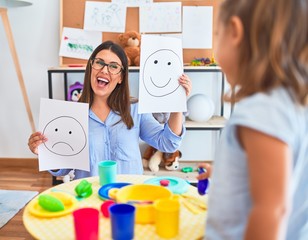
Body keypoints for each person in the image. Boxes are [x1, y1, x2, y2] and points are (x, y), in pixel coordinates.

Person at [199, 0, 308, 240]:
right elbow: (277, 177)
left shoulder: (263, 111)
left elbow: (272, 210)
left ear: (235, 32)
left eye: (218, 34)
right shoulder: (288, 104)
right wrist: (225, 173)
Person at [28, 40, 192, 179]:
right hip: (90, 200)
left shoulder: (135, 110)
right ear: (91, 67)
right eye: (99, 63)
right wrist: (43, 151)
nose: (104, 70)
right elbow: (63, 169)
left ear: (121, 77)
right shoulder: (72, 115)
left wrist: (177, 104)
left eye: (113, 66)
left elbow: (168, 143)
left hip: (129, 200)